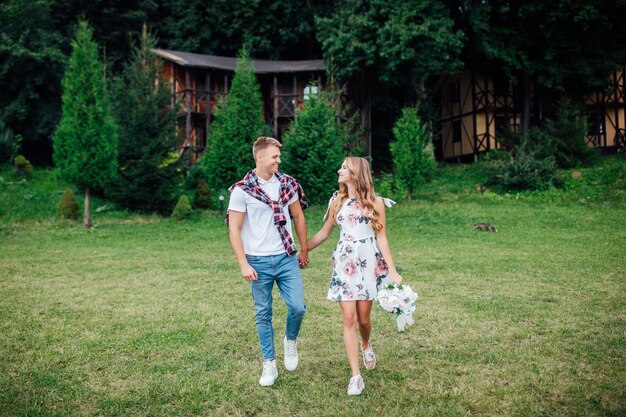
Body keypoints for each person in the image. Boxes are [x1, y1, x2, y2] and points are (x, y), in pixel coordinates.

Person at [307, 156, 402, 396]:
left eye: (344, 167)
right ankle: (356, 376)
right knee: (348, 319)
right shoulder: (336, 202)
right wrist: (304, 249)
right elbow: (325, 232)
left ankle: (366, 344)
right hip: (345, 264)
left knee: (363, 320)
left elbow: (381, 237)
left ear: (356, 172)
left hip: (368, 262)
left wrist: (392, 270)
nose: (339, 170)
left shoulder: (376, 203)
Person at [227, 136, 309, 387]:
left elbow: (298, 217)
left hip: (286, 258)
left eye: (279, 156)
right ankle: (269, 364)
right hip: (258, 262)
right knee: (263, 314)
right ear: (259, 157)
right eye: (274, 156)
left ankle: (290, 341)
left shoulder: (288, 184)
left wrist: (303, 250)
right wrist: (243, 263)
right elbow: (234, 228)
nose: (279, 160)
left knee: (298, 307)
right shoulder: (241, 190)